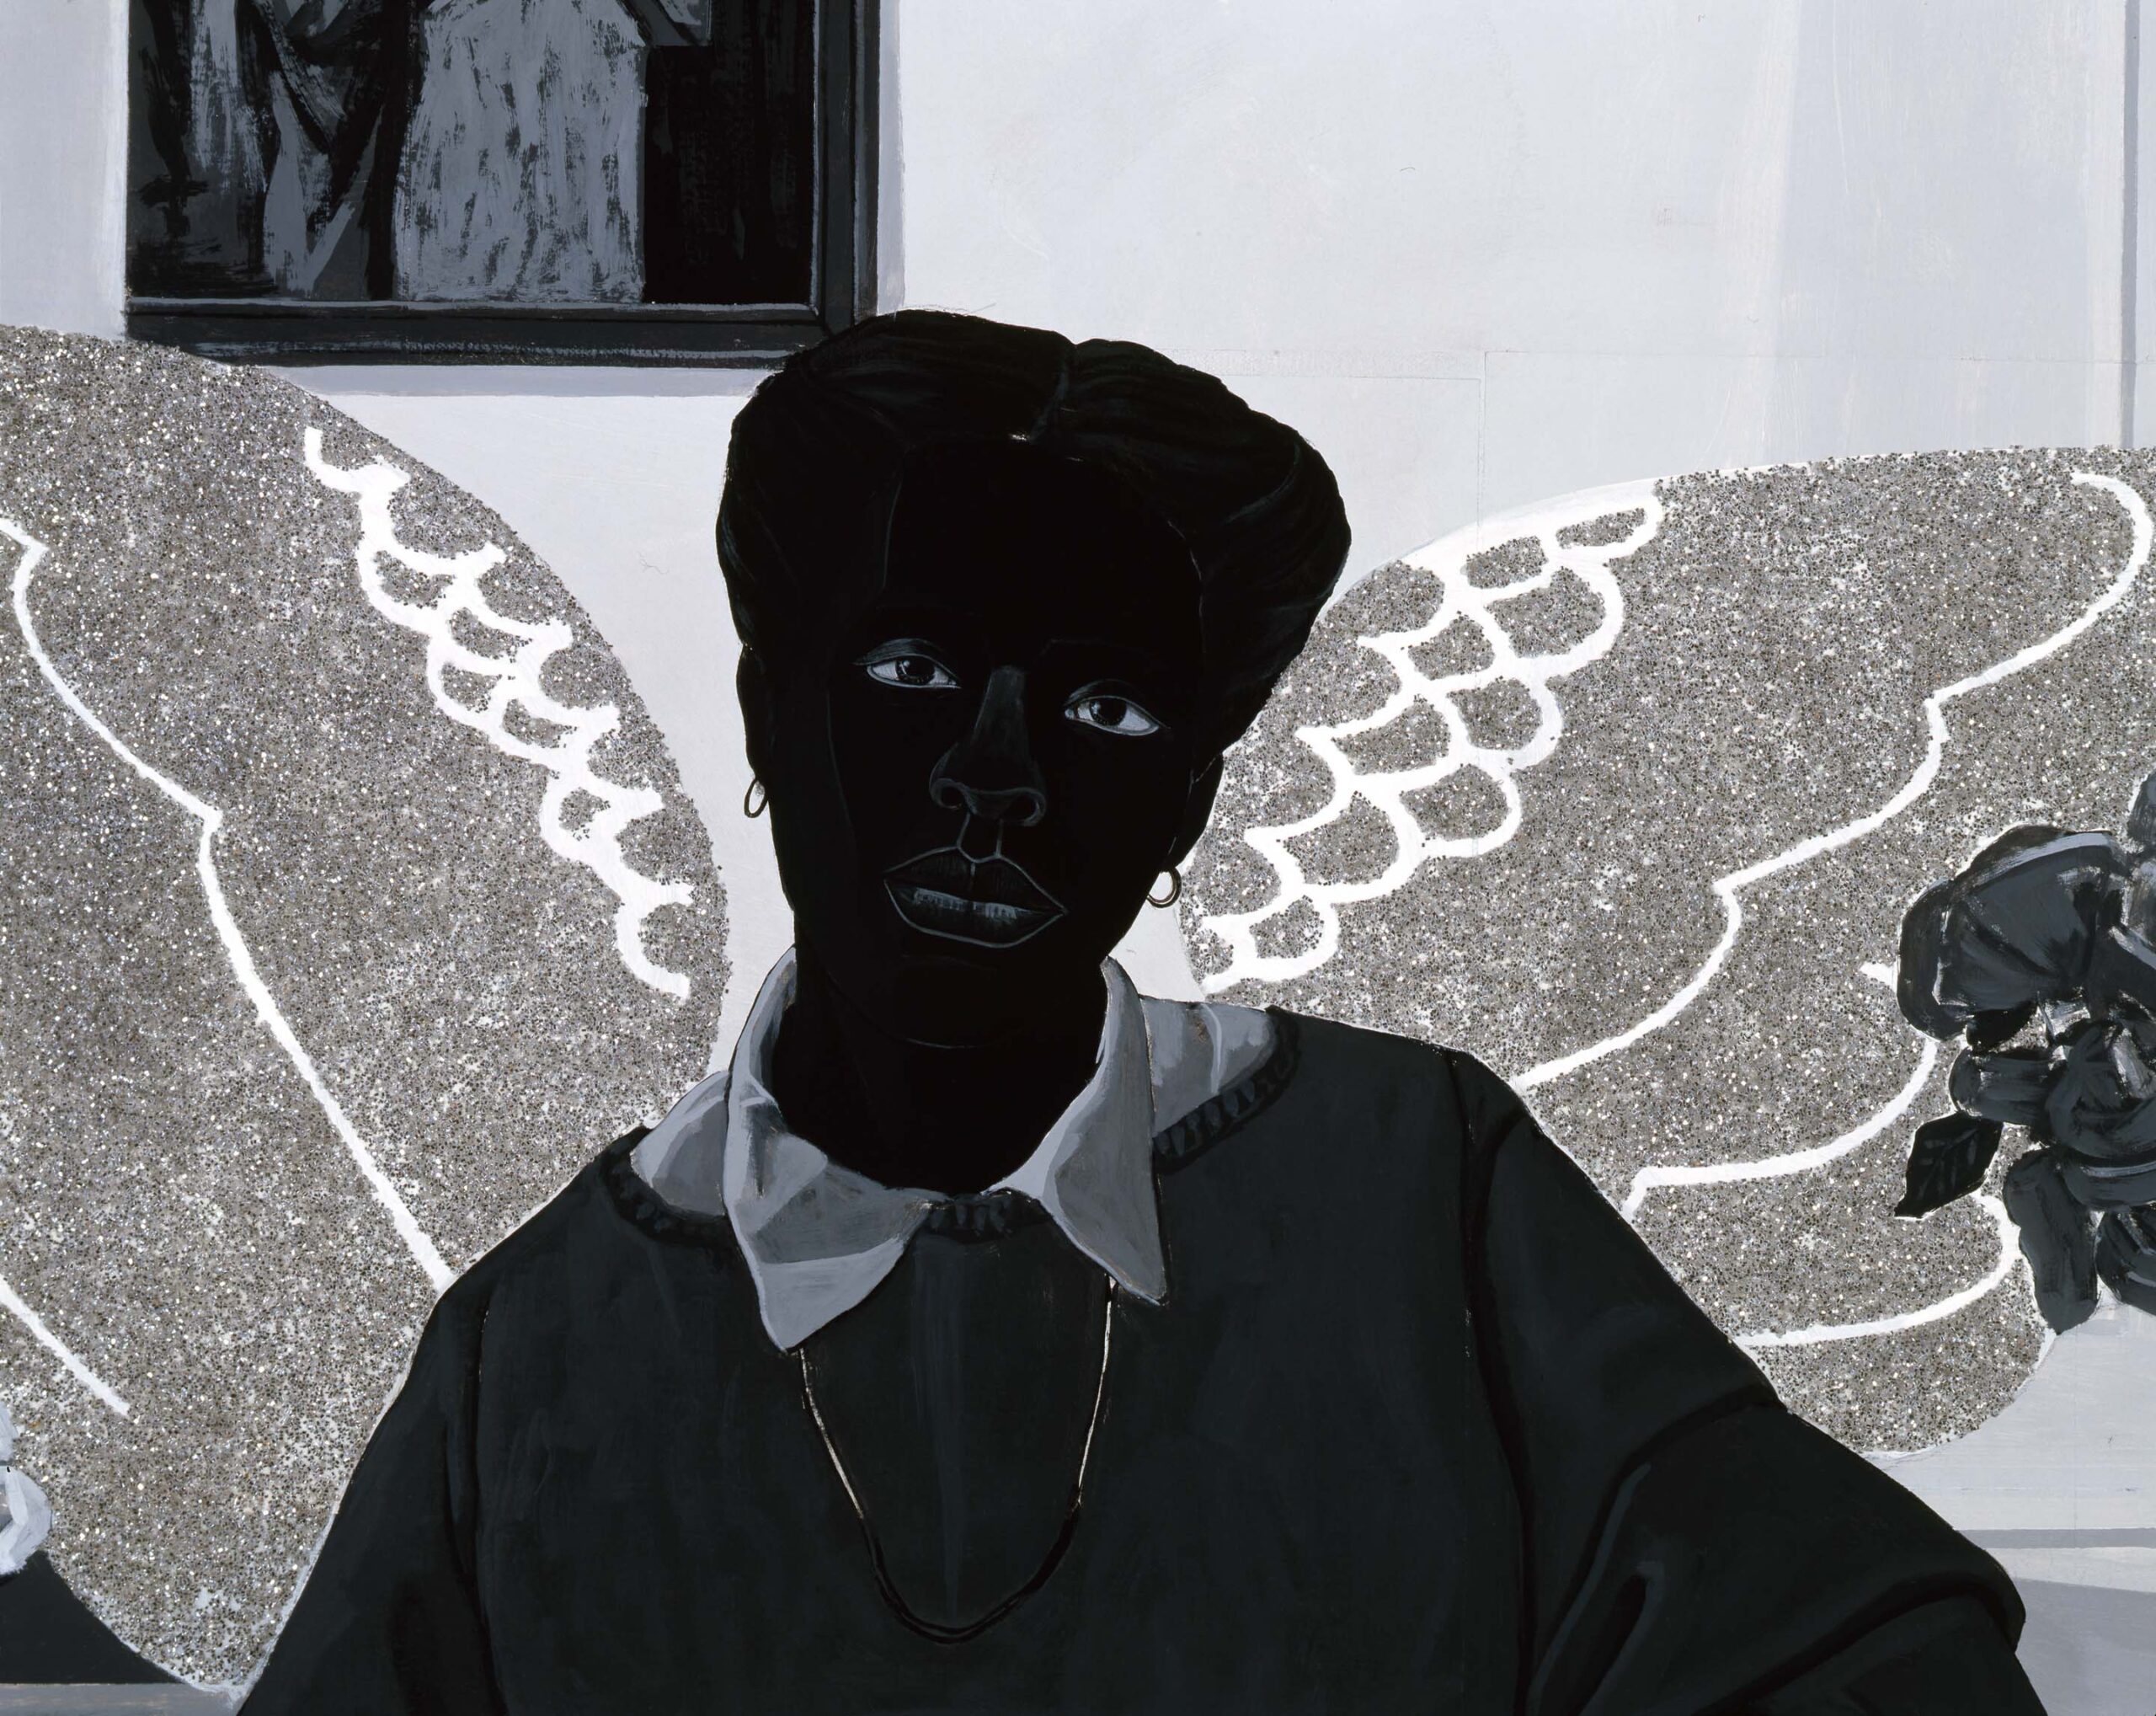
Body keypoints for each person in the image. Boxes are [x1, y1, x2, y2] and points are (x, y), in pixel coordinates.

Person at [242, 311, 2046, 1713]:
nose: (995, 779)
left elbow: (1863, 1651)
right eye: (914, 670)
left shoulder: (1414, 1182)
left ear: (1189, 797)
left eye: (1103, 711)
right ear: (769, 710)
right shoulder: (536, 1342)